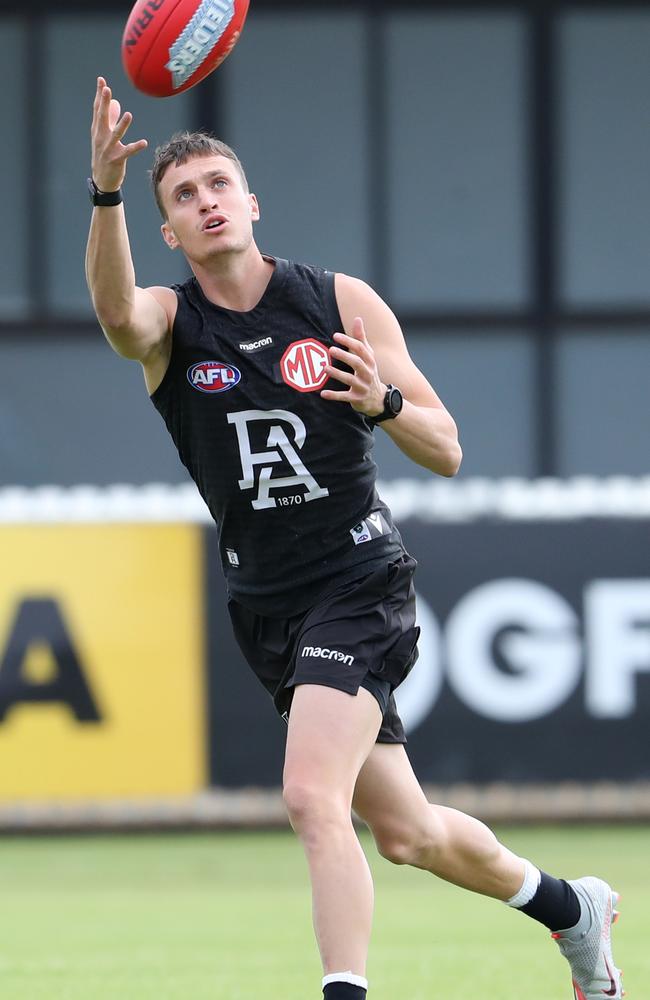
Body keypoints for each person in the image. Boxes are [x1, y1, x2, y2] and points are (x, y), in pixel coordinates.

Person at [86, 76, 623, 1000]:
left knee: (309, 799)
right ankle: (573, 909)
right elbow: (115, 314)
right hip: (266, 603)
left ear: (251, 203)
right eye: (183, 196)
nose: (206, 201)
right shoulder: (173, 323)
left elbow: (446, 447)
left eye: (219, 184)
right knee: (408, 833)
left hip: (359, 579)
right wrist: (104, 196)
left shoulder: (337, 301)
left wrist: (381, 402)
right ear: (168, 232)